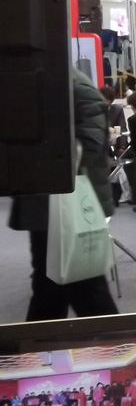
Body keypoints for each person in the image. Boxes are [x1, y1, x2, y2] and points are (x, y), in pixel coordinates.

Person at [8, 69, 121, 321]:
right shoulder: (53, 81)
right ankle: (42, 342)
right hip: (49, 203)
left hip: (66, 204)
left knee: (83, 288)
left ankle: (110, 340)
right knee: (52, 284)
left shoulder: (70, 85)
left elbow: (90, 145)